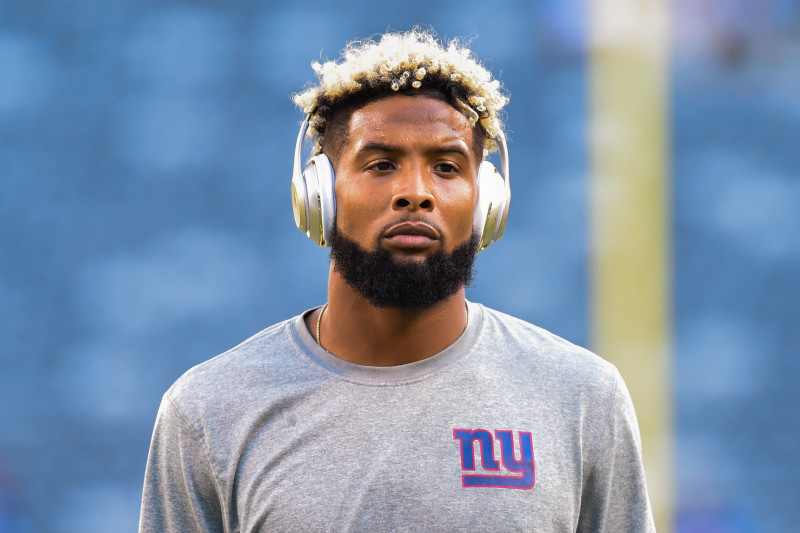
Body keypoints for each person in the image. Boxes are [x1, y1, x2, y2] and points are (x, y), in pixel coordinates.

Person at [138, 29, 656, 532]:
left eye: (447, 168)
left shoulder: (583, 396)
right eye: (382, 164)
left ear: (487, 201)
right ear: (319, 193)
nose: (416, 193)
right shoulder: (208, 411)